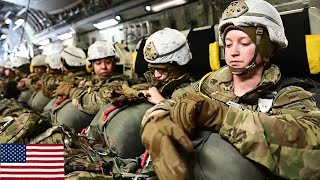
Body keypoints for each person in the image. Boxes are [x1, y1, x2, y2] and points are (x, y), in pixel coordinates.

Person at [140, 0, 320, 180]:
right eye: (228, 44)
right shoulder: (210, 83)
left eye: (244, 43)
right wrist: (155, 119)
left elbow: (312, 145)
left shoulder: (289, 94)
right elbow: (175, 102)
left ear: (265, 46)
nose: (233, 52)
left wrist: (223, 116)